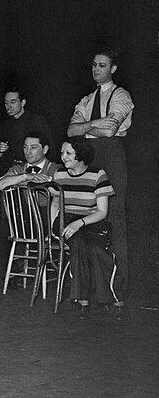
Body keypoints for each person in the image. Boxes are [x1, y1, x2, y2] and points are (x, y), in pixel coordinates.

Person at [67, 47, 133, 303]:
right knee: (87, 216)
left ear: (113, 69)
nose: (96, 69)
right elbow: (72, 130)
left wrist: (87, 128)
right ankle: (89, 289)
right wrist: (95, 124)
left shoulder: (121, 95)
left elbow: (110, 131)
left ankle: (118, 291)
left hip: (112, 156)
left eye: (102, 65)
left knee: (113, 218)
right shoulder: (86, 99)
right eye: (94, 65)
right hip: (89, 156)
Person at [50, 137, 124, 320]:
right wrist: (54, 230)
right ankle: (83, 300)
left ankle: (112, 298)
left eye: (68, 153)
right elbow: (54, 205)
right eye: (62, 153)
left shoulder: (97, 175)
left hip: (91, 222)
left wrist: (80, 223)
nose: (63, 157)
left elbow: (102, 212)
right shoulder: (59, 175)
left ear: (81, 155)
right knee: (77, 245)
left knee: (97, 250)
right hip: (66, 222)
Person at [0, 131, 60, 283]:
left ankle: (50, 270)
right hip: (23, 219)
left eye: (33, 147)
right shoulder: (19, 168)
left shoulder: (55, 168)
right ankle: (10, 275)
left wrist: (25, 184)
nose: (28, 152)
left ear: (45, 149)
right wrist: (25, 177)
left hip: (46, 218)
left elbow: (58, 190)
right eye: (25, 147)